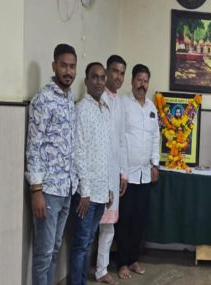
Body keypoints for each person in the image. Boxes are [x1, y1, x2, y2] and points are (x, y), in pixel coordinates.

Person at [25, 43, 79, 285]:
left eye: (72, 66)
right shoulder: (43, 99)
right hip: (47, 191)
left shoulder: (69, 99)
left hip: (66, 188)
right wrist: (36, 190)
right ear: (54, 66)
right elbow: (33, 146)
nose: (68, 71)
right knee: (44, 254)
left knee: (55, 249)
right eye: (63, 66)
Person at [68, 62, 116, 285]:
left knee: (88, 242)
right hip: (85, 194)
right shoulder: (81, 110)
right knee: (80, 244)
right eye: (94, 77)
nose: (99, 81)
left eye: (102, 77)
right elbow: (78, 152)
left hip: (101, 191)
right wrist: (85, 192)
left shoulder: (104, 109)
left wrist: (109, 188)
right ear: (86, 81)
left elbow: (107, 152)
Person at [115, 64, 160, 279]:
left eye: (145, 81)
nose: (142, 84)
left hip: (144, 174)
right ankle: (122, 262)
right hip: (126, 175)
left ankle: (133, 259)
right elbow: (119, 138)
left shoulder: (152, 107)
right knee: (124, 220)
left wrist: (155, 164)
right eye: (139, 80)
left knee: (139, 220)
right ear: (132, 81)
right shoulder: (122, 104)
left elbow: (155, 137)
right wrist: (121, 171)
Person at [95, 55, 129, 284]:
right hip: (97, 172)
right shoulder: (99, 98)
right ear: (107, 72)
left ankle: (101, 269)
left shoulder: (120, 102)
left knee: (109, 226)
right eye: (115, 71)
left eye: (122, 73)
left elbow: (121, 140)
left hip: (114, 172)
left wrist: (123, 172)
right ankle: (89, 270)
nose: (118, 76)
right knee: (91, 226)